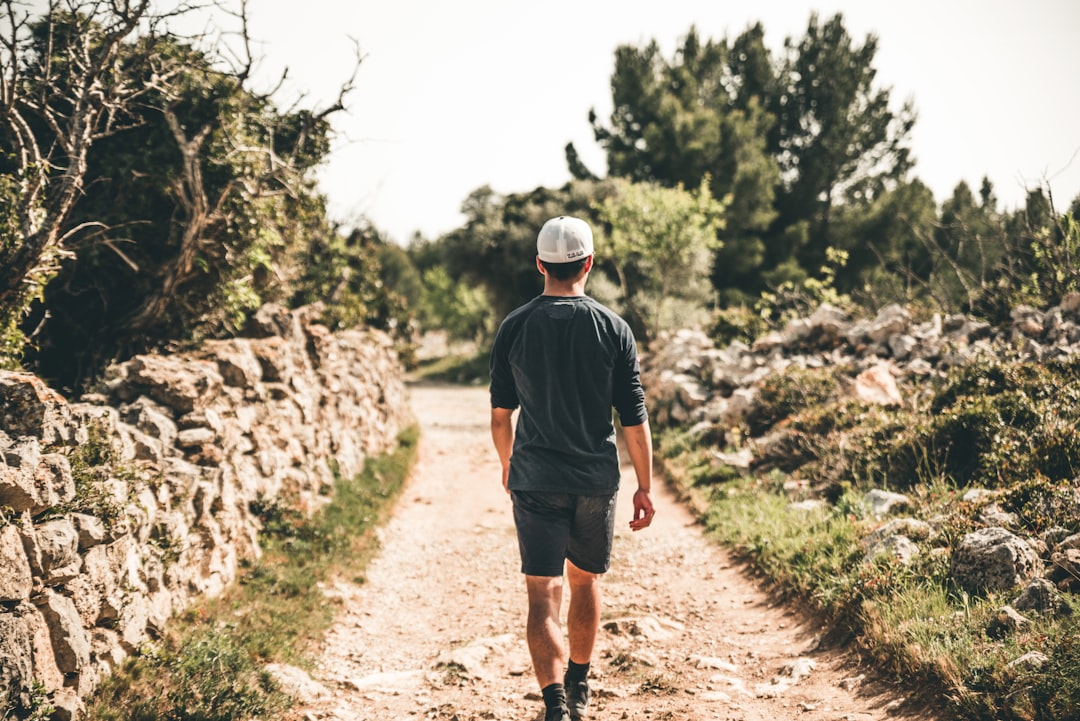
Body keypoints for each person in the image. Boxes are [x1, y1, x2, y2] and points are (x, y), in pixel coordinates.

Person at [489, 215, 655, 721]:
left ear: (540, 264)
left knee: (542, 593)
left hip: (535, 478)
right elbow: (634, 418)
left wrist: (508, 466)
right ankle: (579, 685)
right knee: (584, 583)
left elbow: (500, 418)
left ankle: (555, 702)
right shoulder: (614, 329)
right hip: (594, 481)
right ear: (589, 263)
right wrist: (645, 487)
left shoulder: (513, 327)